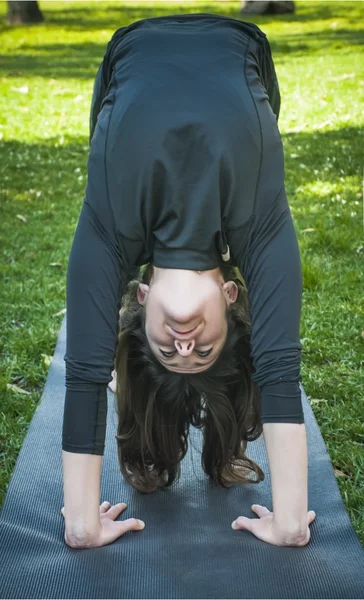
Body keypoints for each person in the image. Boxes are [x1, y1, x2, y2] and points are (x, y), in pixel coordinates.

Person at [60, 12, 316, 550]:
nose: (183, 343)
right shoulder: (261, 230)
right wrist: (289, 522)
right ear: (231, 296)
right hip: (242, 47)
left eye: (166, 350)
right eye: (202, 351)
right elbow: (277, 367)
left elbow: (83, 372)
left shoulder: (108, 233)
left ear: (141, 298)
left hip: (127, 52)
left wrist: (83, 523)